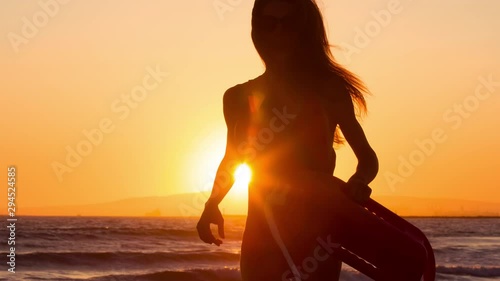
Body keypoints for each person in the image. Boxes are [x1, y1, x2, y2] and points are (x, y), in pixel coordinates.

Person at [197, 0, 426, 280]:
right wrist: (212, 203)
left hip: (318, 233)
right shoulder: (237, 97)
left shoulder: (329, 91)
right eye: (269, 24)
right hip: (262, 232)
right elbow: (233, 159)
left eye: (289, 23)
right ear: (258, 31)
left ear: (304, 29)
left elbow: (367, 158)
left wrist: (358, 182)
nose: (279, 33)